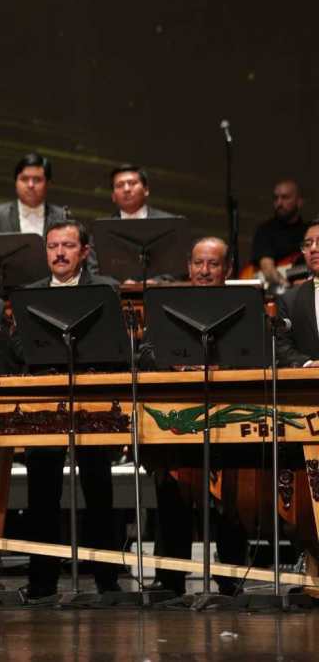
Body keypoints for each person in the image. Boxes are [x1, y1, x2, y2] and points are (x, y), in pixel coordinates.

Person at [18, 220, 122, 598]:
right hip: (45, 402)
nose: (59, 253)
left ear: (84, 252)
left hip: (93, 400)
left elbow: (116, 345)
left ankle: (107, 582)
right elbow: (18, 347)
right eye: (52, 246)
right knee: (42, 494)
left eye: (68, 245)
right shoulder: (29, 294)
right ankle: (42, 582)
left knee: (99, 490)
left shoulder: (104, 290)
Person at [141, 236, 249, 596]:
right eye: (199, 264)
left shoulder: (242, 304)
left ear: (228, 269)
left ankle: (231, 577)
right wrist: (171, 364)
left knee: (230, 498)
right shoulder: (166, 302)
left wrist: (222, 367)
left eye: (213, 264)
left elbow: (256, 353)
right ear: (189, 267)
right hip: (178, 415)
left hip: (226, 414)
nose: (204, 271)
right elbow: (147, 351)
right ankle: (170, 580)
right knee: (171, 493)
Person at [0, 152, 99, 273]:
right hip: (7, 288)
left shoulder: (62, 216)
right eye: (24, 179)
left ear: (48, 184)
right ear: (15, 182)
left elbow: (77, 259)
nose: (30, 185)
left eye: (37, 180)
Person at [276, 220, 319, 366]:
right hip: (309, 384)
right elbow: (281, 346)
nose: (313, 249)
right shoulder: (289, 299)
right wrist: (308, 364)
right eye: (308, 244)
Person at [250, 179, 307, 289]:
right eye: (276, 198)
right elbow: (268, 269)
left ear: (299, 202)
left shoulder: (308, 232)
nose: (279, 203)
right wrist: (288, 287)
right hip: (276, 291)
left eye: (285, 197)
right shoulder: (265, 230)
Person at [108, 164, 176, 219]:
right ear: (113, 196)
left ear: (146, 190)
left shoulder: (171, 222)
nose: (126, 189)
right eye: (119, 185)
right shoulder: (100, 228)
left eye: (132, 183)